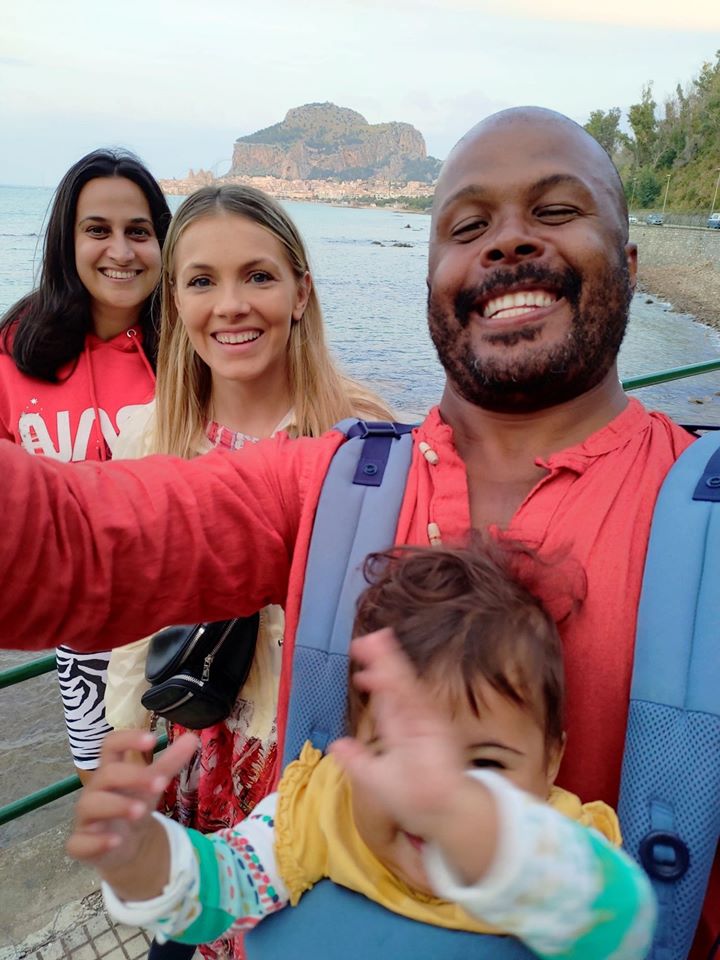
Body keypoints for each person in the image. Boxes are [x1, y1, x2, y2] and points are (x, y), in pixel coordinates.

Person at [0, 107, 716, 956]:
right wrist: (144, 857)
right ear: (431, 275)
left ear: (628, 263)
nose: (508, 241)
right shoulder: (336, 481)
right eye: (468, 227)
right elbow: (77, 543)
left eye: (556, 211)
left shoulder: (701, 526)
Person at [67, 545, 656, 960]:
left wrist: (478, 829)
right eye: (400, 755)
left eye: (485, 765)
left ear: (551, 760)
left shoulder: (559, 846)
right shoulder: (325, 805)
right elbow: (223, 890)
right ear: (356, 747)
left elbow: (623, 930)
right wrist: (144, 855)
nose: (429, 792)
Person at [102, 182, 391, 960]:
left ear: (301, 293)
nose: (230, 305)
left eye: (258, 276)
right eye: (202, 281)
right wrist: (122, 748)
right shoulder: (147, 441)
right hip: (193, 753)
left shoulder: (365, 436)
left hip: (314, 764)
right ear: (174, 302)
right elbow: (130, 622)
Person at [0, 148, 170, 783]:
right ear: (66, 241)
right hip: (84, 635)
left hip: (192, 620)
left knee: (207, 796)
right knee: (115, 799)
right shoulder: (17, 349)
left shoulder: (194, 348)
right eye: (98, 229)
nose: (120, 251)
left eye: (139, 231)